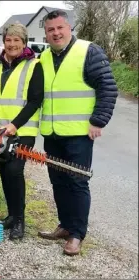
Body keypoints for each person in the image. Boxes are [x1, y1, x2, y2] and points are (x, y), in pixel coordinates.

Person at [37, 10, 118, 255]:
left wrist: (98, 121)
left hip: (79, 134)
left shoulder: (88, 51)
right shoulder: (43, 58)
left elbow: (108, 87)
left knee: (78, 183)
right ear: (46, 34)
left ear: (69, 27)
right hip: (52, 132)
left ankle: (77, 234)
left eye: (60, 28)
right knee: (58, 182)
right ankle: (64, 225)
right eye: (51, 30)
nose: (56, 33)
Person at [0, 23, 44, 240]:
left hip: (21, 131)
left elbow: (35, 101)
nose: (12, 44)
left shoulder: (34, 66)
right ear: (3, 42)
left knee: (15, 172)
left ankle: (20, 221)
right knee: (4, 173)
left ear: (24, 43)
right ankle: (12, 215)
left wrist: (14, 125)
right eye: (8, 40)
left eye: (17, 40)